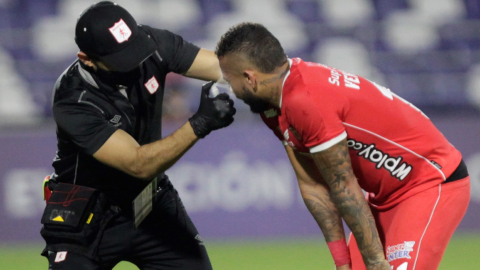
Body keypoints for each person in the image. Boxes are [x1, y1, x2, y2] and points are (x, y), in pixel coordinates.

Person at [215, 22, 470, 270]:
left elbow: (343, 184)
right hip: (383, 198)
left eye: (230, 80)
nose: (232, 89)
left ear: (250, 78)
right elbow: (312, 185)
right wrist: (342, 261)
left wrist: (375, 262)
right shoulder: (273, 106)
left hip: (429, 183)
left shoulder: (305, 100)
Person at [40, 1, 236, 270]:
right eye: (120, 58)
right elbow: (138, 163)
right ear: (86, 59)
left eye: (134, 49)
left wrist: (285, 79)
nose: (134, 61)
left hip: (149, 202)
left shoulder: (151, 43)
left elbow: (227, 69)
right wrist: (200, 123)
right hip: (86, 217)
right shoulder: (73, 99)